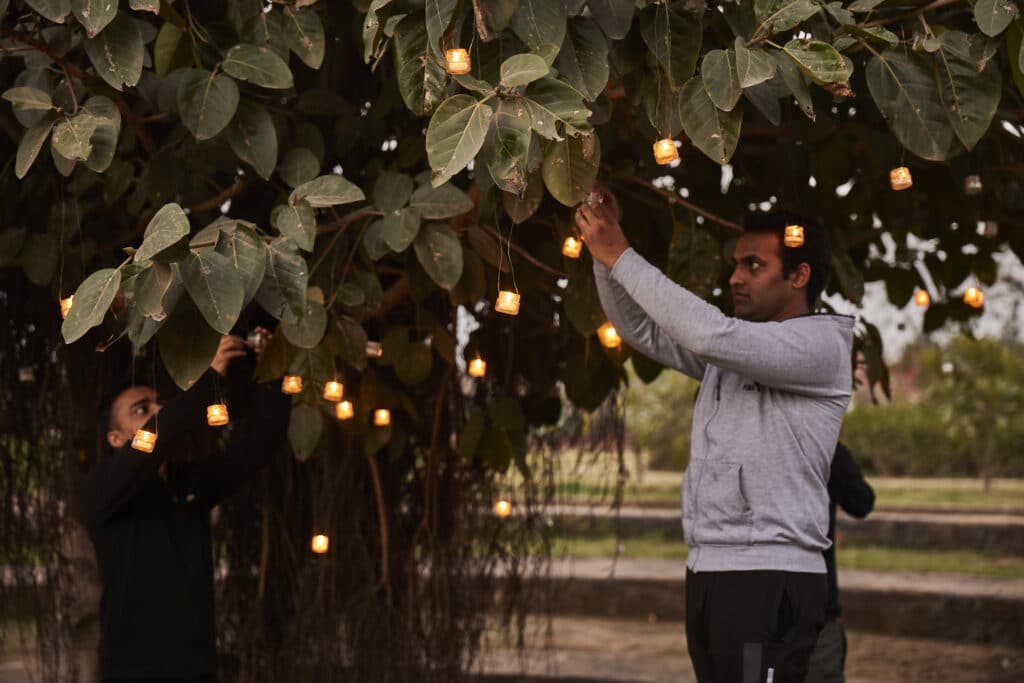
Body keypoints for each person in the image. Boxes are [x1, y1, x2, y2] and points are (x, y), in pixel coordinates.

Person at [576, 191, 854, 683]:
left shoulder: (821, 345)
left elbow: (710, 335)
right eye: (736, 264)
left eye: (753, 265)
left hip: (771, 575)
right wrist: (603, 260)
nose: (734, 278)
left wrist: (620, 253)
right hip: (710, 568)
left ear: (800, 276)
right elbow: (640, 328)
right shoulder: (733, 351)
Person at [80, 331, 287, 683]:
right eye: (141, 409)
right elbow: (155, 438)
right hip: (133, 673)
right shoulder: (101, 490)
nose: (159, 410)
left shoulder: (187, 483)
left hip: (198, 669)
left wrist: (277, 368)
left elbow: (259, 446)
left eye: (158, 402)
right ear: (116, 439)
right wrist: (208, 381)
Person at [805, 443, 875, 683]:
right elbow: (862, 502)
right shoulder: (823, 446)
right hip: (815, 600)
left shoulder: (747, 439)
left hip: (752, 598)